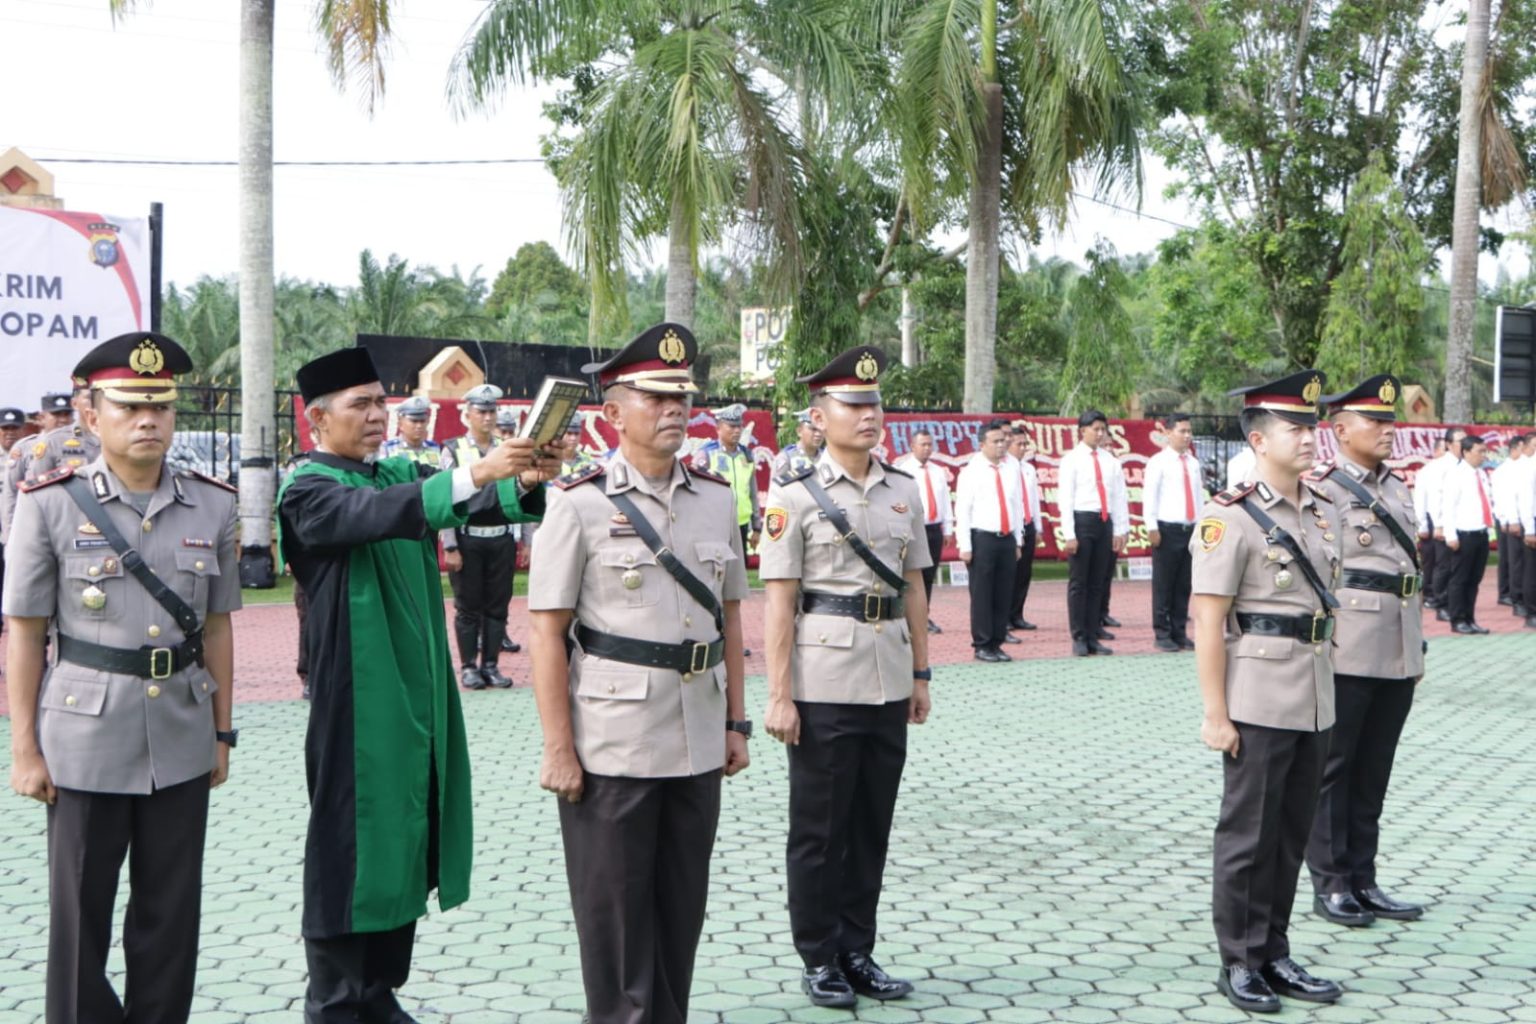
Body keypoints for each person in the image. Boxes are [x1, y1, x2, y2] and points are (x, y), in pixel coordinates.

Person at [278, 347, 556, 1023]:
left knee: (406, 826)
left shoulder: (394, 471)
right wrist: (473, 473)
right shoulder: (307, 489)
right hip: (353, 699)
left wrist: (523, 474)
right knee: (350, 839)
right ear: (318, 419)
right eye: (361, 406)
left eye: (381, 403)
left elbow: (472, 498)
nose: (378, 417)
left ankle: (378, 990)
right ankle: (337, 999)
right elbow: (387, 514)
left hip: (415, 692)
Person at [5, 331, 239, 1024]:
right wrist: (24, 748)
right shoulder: (50, 503)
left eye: (160, 407)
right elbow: (23, 631)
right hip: (83, 738)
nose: (148, 420)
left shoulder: (213, 504)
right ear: (91, 413)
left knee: (170, 917)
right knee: (80, 917)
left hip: (182, 734)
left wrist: (223, 732)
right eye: (130, 405)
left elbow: (221, 626)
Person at [528, 322, 750, 1024]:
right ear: (613, 413)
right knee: (617, 924)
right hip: (613, 743)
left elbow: (732, 620)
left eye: (681, 396)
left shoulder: (716, 497)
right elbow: (546, 632)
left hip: (696, 736)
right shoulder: (578, 503)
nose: (674, 409)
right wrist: (559, 749)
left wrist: (736, 724)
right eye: (655, 396)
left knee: (681, 911)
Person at [761, 345, 932, 1010]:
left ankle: (857, 948)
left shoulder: (903, 490)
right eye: (853, 405)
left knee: (870, 823)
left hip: (888, 674)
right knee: (820, 828)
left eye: (874, 404)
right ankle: (819, 954)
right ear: (819, 414)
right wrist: (778, 695)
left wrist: (921, 672)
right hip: (822, 680)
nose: (869, 415)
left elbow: (915, 585)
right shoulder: (794, 497)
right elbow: (779, 601)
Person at [1191, 369, 1344, 1014]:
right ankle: (1240, 960)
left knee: (1290, 832)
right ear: (1258, 438)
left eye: (1313, 427)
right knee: (1248, 836)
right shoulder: (1230, 518)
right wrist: (1215, 713)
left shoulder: (1322, 508)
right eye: (1295, 428)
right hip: (1255, 695)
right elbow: (1208, 620)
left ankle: (1275, 950)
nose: (1310, 438)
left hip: (1312, 692)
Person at [1304, 375, 1427, 929]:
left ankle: (1363, 877)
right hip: (1350, 640)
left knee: (1374, 767)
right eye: (1375, 422)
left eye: (1390, 422)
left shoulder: (1396, 485)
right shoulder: (1324, 487)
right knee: (1336, 765)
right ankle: (1330, 882)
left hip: (1398, 640)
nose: (1387, 431)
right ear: (1339, 429)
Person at [440, 384, 523, 689]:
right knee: (468, 606)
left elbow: (520, 493)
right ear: (468, 415)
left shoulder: (508, 447)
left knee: (498, 605)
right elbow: (445, 498)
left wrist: (523, 538)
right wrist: (449, 544)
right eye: (482, 411)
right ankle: (467, 667)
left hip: (501, 538)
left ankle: (491, 665)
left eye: (492, 411)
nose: (488, 417)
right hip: (467, 538)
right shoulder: (453, 449)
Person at [1058, 411, 1127, 656]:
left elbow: (1119, 497)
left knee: (1098, 582)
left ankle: (1093, 633)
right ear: (1082, 431)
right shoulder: (1072, 460)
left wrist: (1120, 529)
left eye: (1103, 429)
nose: (1100, 434)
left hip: (1104, 521)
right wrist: (1069, 533)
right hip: (1082, 520)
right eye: (1095, 429)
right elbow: (1065, 499)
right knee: (1080, 582)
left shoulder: (1111, 461)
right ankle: (1078, 636)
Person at [954, 420, 1024, 662]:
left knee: (1003, 593)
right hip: (982, 537)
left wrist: (1018, 540)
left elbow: (1016, 505)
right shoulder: (971, 471)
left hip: (1006, 537)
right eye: (996, 441)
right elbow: (963, 510)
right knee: (983, 594)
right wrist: (965, 545)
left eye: (1004, 440)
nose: (1002, 445)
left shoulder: (1011, 468)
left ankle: (997, 641)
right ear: (982, 444)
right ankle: (982, 644)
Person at [1143, 413, 1207, 651]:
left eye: (1189, 431)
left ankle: (1179, 631)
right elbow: (1150, 497)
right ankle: (1162, 632)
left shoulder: (1193, 463)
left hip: (1190, 528)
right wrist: (1151, 526)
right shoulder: (1158, 462)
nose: (1187, 436)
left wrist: (1201, 526)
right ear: (1168, 433)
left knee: (1183, 584)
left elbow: (1199, 497)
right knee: (1164, 584)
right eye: (1182, 431)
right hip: (1167, 528)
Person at [3, 390, 89, 536]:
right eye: (56, 415)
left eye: (67, 414)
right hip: (35, 526)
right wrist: (10, 536)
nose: (63, 420)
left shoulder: (86, 445)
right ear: (42, 417)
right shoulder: (24, 448)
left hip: (76, 525)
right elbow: (11, 495)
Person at [892, 428, 952, 634]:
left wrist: (948, 529)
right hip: (912, 529)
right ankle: (906, 616)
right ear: (912, 446)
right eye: (923, 445)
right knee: (911, 574)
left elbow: (945, 501)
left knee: (929, 575)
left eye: (929, 444)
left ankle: (923, 616)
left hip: (934, 528)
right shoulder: (902, 471)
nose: (927, 449)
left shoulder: (937, 472)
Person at [1436, 434, 1494, 635]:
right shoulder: (1456, 474)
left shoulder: (1481, 474)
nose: (1483, 455)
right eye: (1480, 451)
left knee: (1474, 579)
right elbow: (1448, 507)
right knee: (1459, 579)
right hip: (1463, 534)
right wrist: (1450, 535)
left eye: (1485, 451)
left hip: (1481, 532)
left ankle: (1470, 618)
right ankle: (1457, 619)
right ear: (1466, 452)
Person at [693, 402, 763, 554]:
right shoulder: (706, 455)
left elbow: (752, 492)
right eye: (731, 426)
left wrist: (757, 527)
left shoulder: (747, 455)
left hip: (742, 524)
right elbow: (695, 494)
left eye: (739, 426)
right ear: (718, 428)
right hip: (715, 524)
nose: (737, 430)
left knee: (739, 573)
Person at [1420, 428, 1466, 615]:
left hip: (1463, 522)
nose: (1465, 444)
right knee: (1444, 565)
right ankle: (1439, 602)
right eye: (1460, 441)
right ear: (1448, 445)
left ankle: (1455, 602)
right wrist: (1438, 525)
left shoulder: (1465, 466)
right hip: (1442, 522)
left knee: (1458, 565)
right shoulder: (1438, 467)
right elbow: (1435, 498)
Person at [1006, 423, 1041, 632]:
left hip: (1028, 525)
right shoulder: (1006, 468)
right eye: (1019, 443)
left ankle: (1018, 614)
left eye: (1025, 444)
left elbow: (1034, 500)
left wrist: (1037, 527)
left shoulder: (1029, 469)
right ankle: (1006, 617)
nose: (1022, 447)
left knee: (1024, 573)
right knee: (1010, 573)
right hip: (1011, 526)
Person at [1096, 428, 1131, 632]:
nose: (1108, 449)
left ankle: (1103, 612)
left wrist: (1123, 529)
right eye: (1104, 445)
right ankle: (1093, 617)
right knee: (1094, 576)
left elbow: (1121, 500)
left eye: (1110, 445)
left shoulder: (1114, 467)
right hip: (1095, 526)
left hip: (1112, 526)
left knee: (1107, 573)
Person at [1412, 437, 1448, 606]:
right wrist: (1422, 525)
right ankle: (1429, 594)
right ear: (1436, 451)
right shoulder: (1428, 471)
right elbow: (1420, 499)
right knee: (1431, 560)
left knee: (1445, 561)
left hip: (1447, 519)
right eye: (1444, 449)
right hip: (1430, 519)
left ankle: (1442, 593)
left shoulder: (1454, 469)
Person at [1492, 437, 1525, 611]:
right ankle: (1507, 593)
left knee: (1514, 558)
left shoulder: (1523, 468)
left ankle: (1511, 592)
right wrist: (1504, 519)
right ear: (1513, 450)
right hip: (1505, 517)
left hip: (1519, 517)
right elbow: (1501, 497)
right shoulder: (1503, 471)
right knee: (1509, 558)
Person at [379, 395, 442, 469]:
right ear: (400, 424)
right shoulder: (388, 449)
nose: (419, 426)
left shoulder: (435, 448)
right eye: (414, 421)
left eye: (422, 421)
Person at [771, 408, 824, 476]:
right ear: (799, 431)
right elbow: (776, 485)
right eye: (813, 429)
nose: (818, 434)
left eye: (821, 430)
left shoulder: (827, 457)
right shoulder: (786, 458)